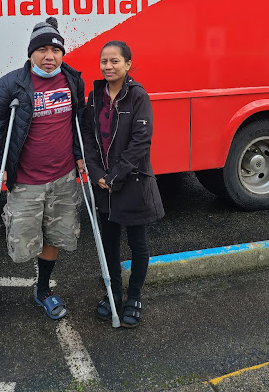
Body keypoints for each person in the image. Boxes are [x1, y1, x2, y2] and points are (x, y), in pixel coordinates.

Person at [0, 17, 85, 320]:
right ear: (30, 53)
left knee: (55, 236)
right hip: (26, 181)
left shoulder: (72, 80)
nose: (49, 56)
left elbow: (80, 122)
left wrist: (81, 155)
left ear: (63, 53)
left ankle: (43, 289)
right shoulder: (12, 83)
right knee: (25, 244)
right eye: (42, 49)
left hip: (64, 177)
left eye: (55, 49)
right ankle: (37, 281)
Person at [82, 40, 164, 328]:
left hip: (132, 182)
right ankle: (114, 294)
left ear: (128, 64)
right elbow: (88, 139)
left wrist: (114, 176)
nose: (108, 66)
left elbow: (141, 142)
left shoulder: (138, 96)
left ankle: (134, 297)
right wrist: (97, 174)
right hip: (103, 184)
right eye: (104, 61)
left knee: (138, 243)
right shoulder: (94, 96)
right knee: (109, 243)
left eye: (115, 61)